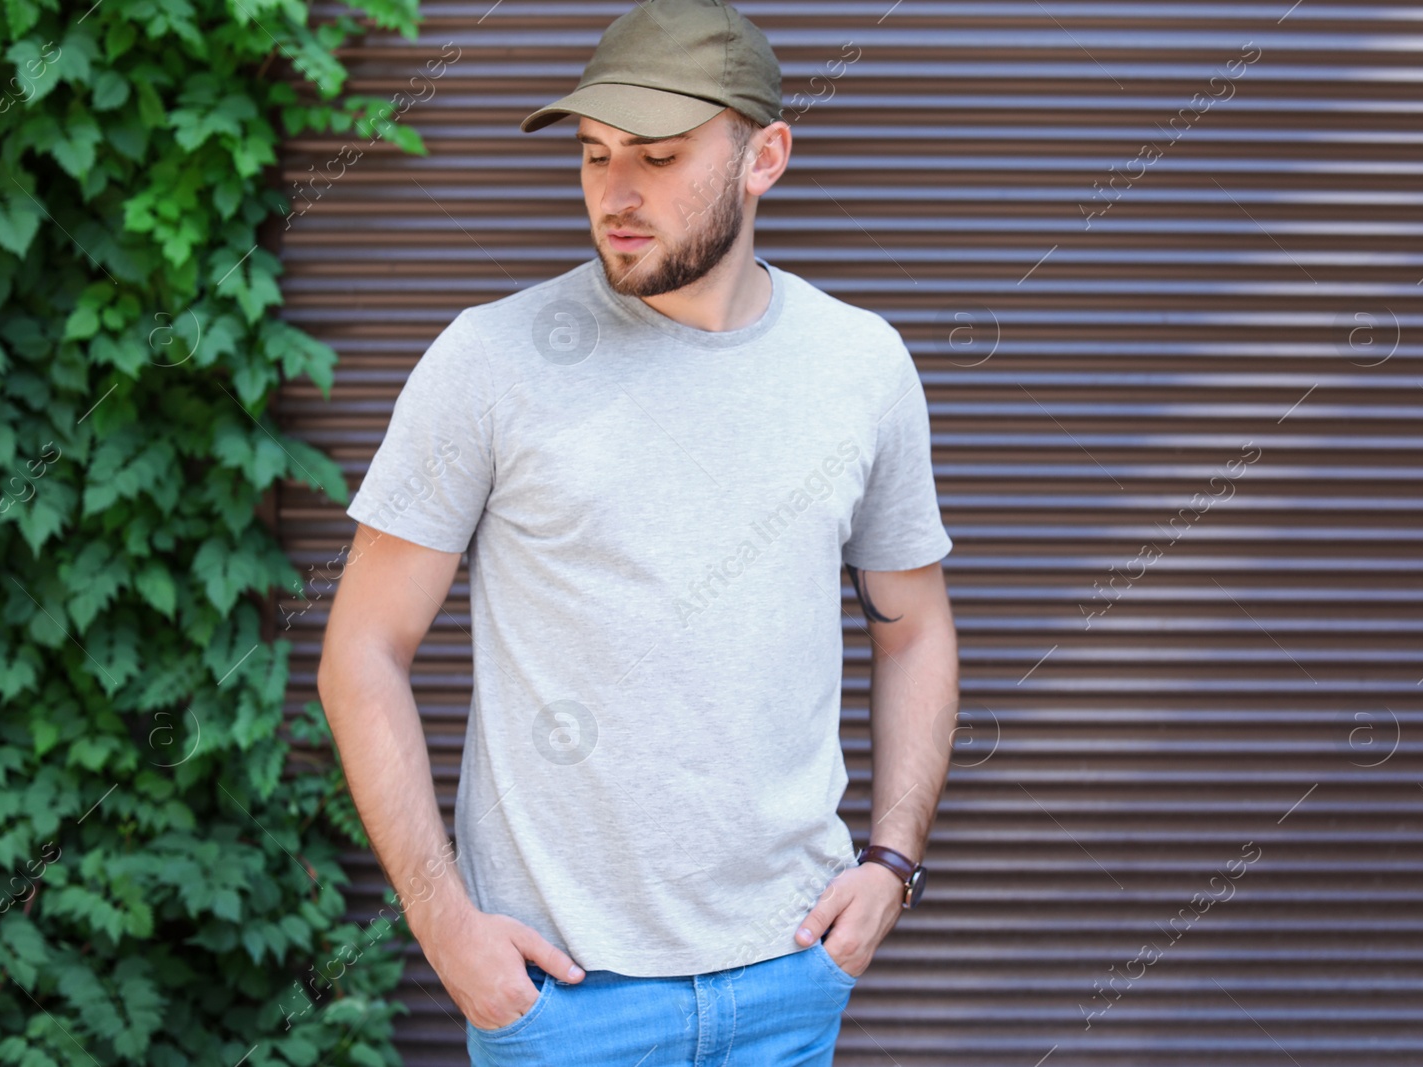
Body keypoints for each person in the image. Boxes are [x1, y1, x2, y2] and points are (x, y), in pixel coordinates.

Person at [316, 1, 958, 1062]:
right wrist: (442, 920)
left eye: (658, 157)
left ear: (766, 157)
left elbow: (915, 629)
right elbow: (361, 653)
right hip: (565, 1001)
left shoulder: (862, 366)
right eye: (593, 154)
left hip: (789, 976)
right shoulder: (492, 360)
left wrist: (890, 863)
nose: (614, 193)